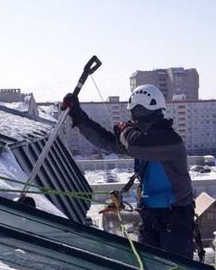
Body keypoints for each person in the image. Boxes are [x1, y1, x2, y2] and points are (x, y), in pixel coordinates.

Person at [62, 84, 195, 259]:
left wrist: (125, 129)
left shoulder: (168, 140)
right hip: (152, 218)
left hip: (175, 220)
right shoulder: (143, 141)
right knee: (152, 269)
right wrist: (78, 116)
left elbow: (134, 144)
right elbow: (106, 141)